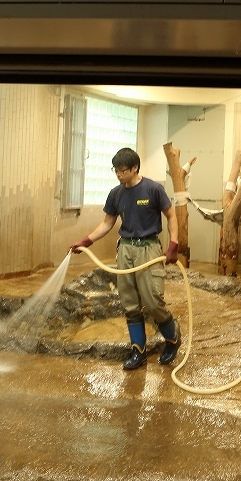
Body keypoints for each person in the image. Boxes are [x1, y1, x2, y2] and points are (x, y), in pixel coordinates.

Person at [69, 147, 181, 370]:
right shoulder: (116, 194)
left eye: (122, 171)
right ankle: (138, 351)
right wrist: (85, 241)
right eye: (116, 171)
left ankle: (173, 339)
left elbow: (171, 215)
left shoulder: (153, 189)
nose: (119, 175)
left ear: (134, 168)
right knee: (129, 302)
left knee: (153, 301)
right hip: (126, 249)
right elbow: (107, 223)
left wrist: (173, 245)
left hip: (148, 248)